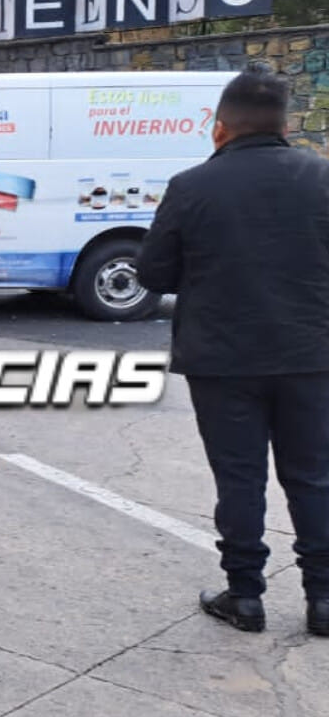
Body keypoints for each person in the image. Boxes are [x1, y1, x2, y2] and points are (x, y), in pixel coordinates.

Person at [137, 68, 329, 638]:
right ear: (286, 126)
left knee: (239, 479)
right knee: (315, 477)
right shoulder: (322, 178)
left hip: (222, 360)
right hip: (312, 356)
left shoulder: (192, 186)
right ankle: (323, 601)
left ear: (219, 128)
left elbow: (153, 273)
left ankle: (245, 596)